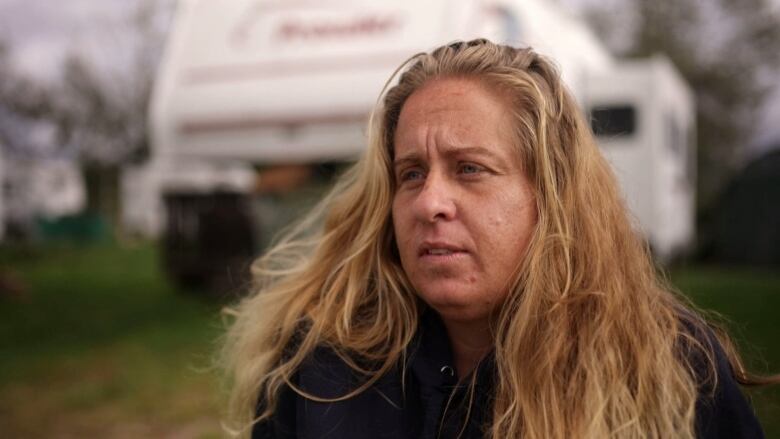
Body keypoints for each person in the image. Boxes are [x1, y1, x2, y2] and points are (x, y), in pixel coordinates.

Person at [222, 39, 775, 438]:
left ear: (550, 195)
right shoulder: (325, 365)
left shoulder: (665, 364)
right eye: (411, 173)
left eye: (470, 169)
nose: (429, 202)